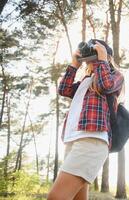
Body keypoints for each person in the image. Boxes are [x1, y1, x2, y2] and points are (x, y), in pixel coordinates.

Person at [47, 40, 124, 200]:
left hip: (92, 139)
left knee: (56, 197)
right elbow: (64, 89)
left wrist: (102, 59)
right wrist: (75, 64)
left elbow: (106, 86)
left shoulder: (115, 76)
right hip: (73, 140)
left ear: (105, 55)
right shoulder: (85, 80)